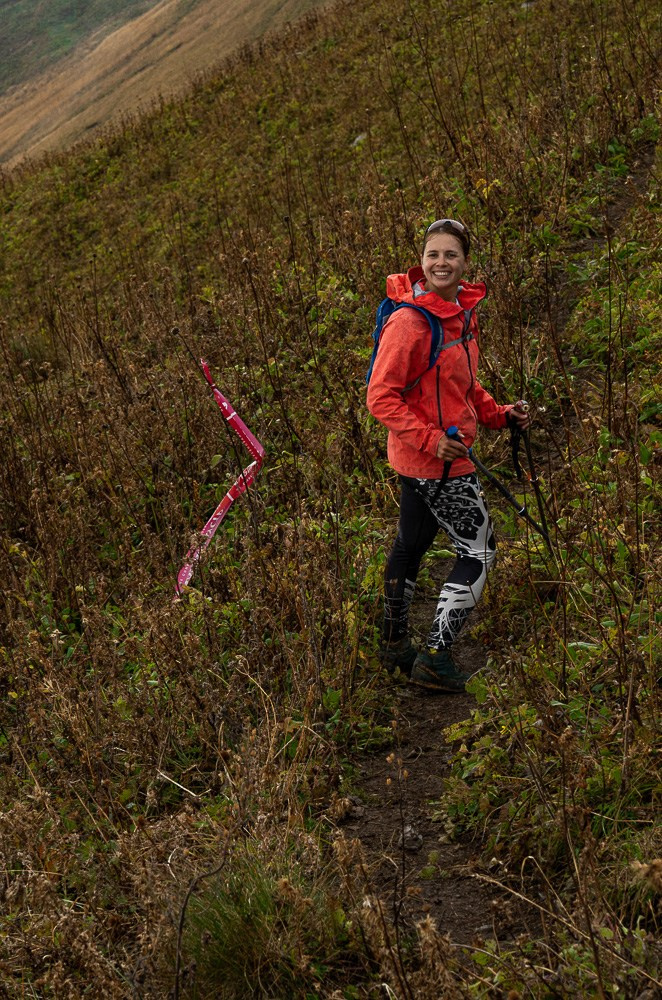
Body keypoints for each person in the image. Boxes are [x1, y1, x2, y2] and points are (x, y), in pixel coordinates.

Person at [366, 218, 530, 692]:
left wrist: (498, 415)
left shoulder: (459, 314)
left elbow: (462, 384)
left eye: (450, 255)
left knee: (410, 546)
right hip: (437, 462)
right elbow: (380, 396)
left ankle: (394, 644)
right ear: (421, 261)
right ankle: (436, 659)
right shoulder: (410, 323)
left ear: (464, 262)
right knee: (479, 552)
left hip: (421, 459)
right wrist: (432, 439)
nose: (441, 263)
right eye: (433, 254)